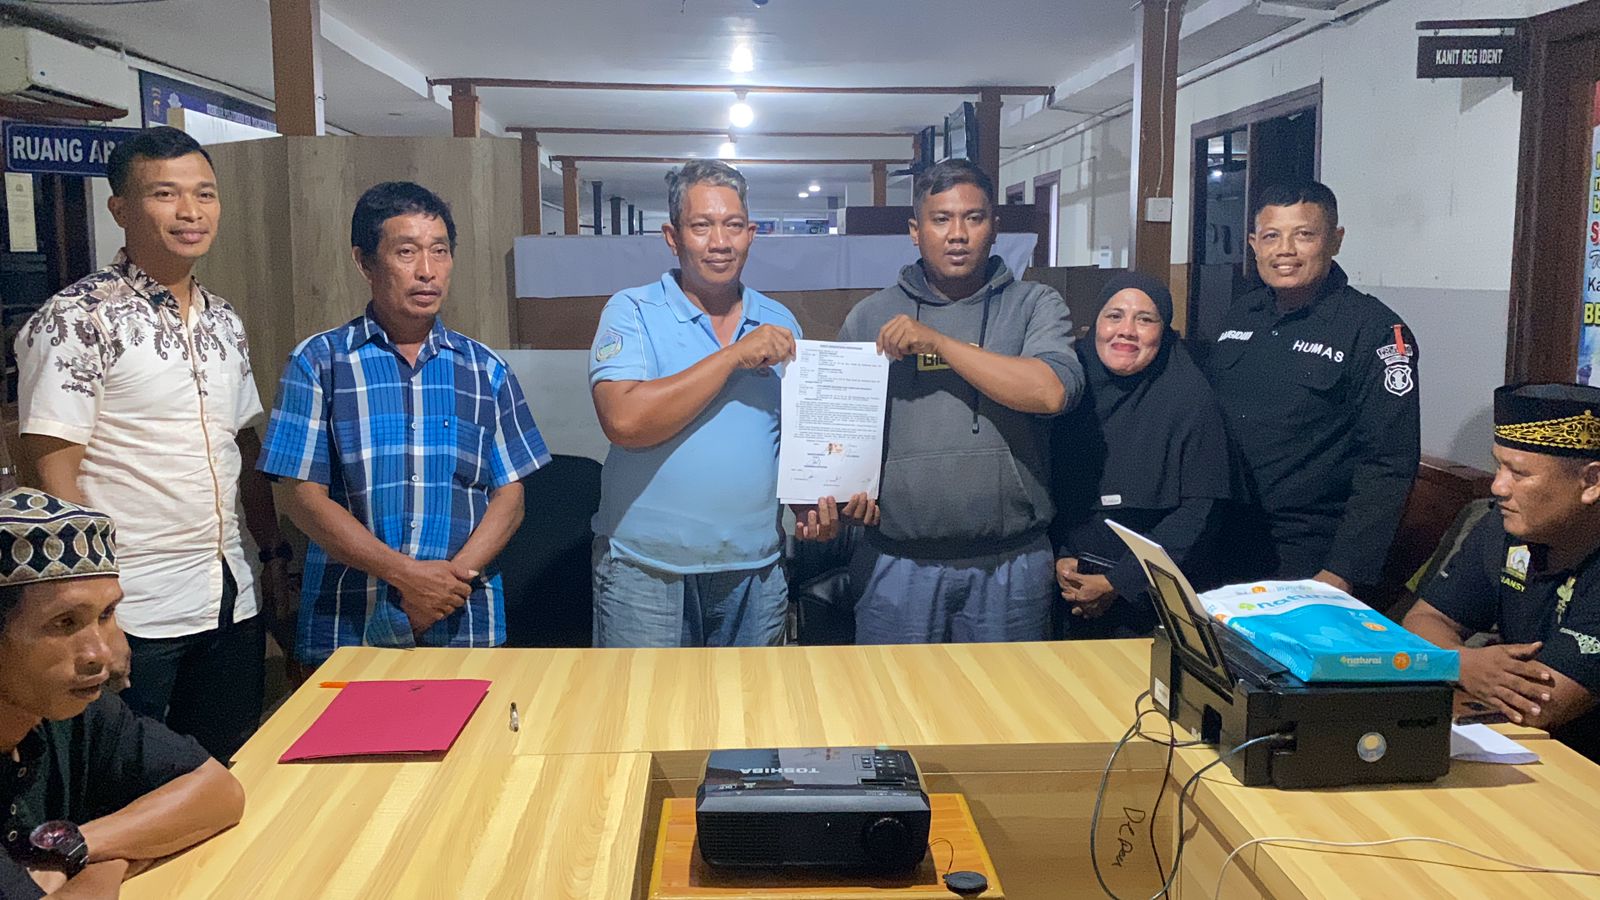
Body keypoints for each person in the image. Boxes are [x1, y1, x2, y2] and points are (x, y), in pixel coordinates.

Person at [13, 126, 289, 761]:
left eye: (204, 194)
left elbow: (242, 445)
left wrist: (272, 553)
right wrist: (93, 616)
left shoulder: (223, 319)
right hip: (133, 606)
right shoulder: (77, 317)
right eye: (165, 194)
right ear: (120, 209)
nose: (190, 211)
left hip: (228, 594)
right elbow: (50, 470)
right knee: (121, 782)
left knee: (223, 768)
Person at [258, 182, 550, 664]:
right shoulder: (319, 363)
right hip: (350, 621)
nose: (427, 270)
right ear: (365, 262)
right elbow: (301, 499)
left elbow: (510, 496)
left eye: (440, 251)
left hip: (463, 619)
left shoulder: (485, 369)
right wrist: (407, 576)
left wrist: (447, 584)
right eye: (406, 252)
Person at [588, 160, 874, 648]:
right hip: (645, 571)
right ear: (672, 237)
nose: (720, 242)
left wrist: (815, 504)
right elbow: (624, 420)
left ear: (751, 234)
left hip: (756, 571)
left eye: (734, 225)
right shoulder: (632, 311)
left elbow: (793, 441)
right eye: (701, 226)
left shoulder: (778, 321)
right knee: (645, 699)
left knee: (751, 700)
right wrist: (734, 356)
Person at [835, 159, 1082, 644]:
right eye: (941, 219)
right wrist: (838, 494)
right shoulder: (871, 316)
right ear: (915, 231)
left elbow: (1051, 391)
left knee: (1009, 695)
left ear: (995, 226)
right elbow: (838, 432)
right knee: (893, 694)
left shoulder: (1034, 304)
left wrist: (940, 343)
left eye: (974, 217)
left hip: (1011, 563)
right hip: (897, 563)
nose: (958, 234)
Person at [0, 488, 244, 899]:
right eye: (64, 622)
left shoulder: (73, 710)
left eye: (106, 614)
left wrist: (76, 850)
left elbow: (220, 792)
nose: (100, 653)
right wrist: (119, 856)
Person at [1202, 180, 1420, 593]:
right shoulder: (1241, 314)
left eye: (1303, 234)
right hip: (1222, 537)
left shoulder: (1373, 330)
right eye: (1271, 236)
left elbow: (1388, 463)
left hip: (1307, 554)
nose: (1285, 250)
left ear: (1335, 241)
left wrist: (1344, 572)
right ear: (1254, 244)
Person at [1403, 383, 1600, 763]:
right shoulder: (1504, 527)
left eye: (1519, 473)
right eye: (1498, 465)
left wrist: (1454, 663)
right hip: (1520, 750)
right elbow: (1423, 620)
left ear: (1591, 482)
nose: (1498, 486)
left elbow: (1540, 704)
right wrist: (1461, 662)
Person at [1050, 273, 1232, 638]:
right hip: (1068, 588)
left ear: (1164, 332)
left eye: (1145, 319)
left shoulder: (1190, 399)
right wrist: (1060, 556)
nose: (1127, 331)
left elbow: (1201, 511)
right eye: (1114, 316)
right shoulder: (1066, 391)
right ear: (1095, 324)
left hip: (1154, 601)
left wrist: (1119, 582)